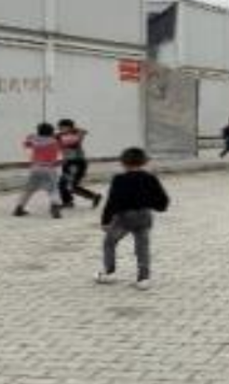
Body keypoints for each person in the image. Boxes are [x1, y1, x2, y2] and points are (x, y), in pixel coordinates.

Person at [96, 147, 171, 291]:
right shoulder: (150, 178)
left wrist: (105, 220)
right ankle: (143, 278)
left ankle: (109, 272)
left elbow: (112, 201)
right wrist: (157, 206)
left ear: (123, 162)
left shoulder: (119, 179)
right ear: (143, 161)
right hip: (144, 215)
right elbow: (163, 199)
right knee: (142, 247)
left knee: (109, 242)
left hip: (124, 217)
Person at [13, 123, 63, 219]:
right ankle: (55, 207)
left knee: (28, 189)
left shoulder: (34, 140)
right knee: (53, 189)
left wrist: (31, 137)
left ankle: (19, 208)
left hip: (35, 167)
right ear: (51, 132)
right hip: (49, 168)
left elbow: (26, 144)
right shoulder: (55, 142)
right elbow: (59, 154)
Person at [56, 119, 102, 209]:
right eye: (60, 127)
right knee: (62, 184)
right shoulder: (62, 136)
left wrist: (75, 131)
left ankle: (93, 196)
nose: (61, 129)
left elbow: (72, 142)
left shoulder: (75, 136)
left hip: (76, 164)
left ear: (69, 127)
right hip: (68, 163)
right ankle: (68, 201)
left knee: (71, 186)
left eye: (63, 127)